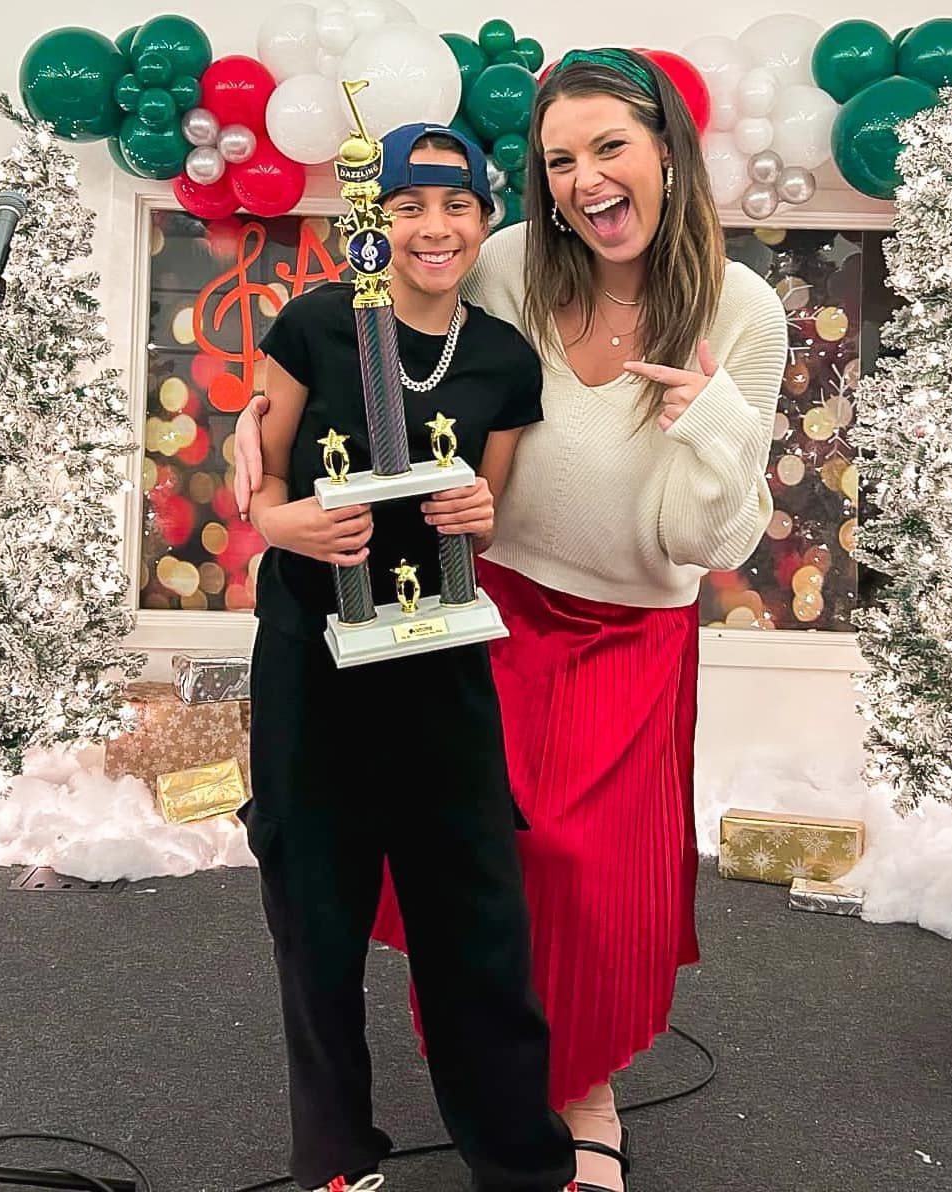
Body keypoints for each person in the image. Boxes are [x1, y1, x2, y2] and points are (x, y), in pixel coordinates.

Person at [236, 51, 786, 1192]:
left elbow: (709, 541)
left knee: (585, 869)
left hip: (632, 624)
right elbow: (386, 338)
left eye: (608, 148)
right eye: (559, 160)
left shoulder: (742, 310)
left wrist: (718, 429)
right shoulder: (506, 265)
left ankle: (583, 1087)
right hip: (487, 602)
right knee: (484, 864)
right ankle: (484, 1082)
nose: (586, 179)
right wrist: (264, 428)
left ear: (666, 153)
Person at [235, 122, 576, 1192]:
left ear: (485, 219)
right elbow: (256, 481)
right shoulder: (313, 326)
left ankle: (519, 1160)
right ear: (370, 219)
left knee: (476, 915)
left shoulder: (504, 359)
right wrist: (282, 526)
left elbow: (489, 519)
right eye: (406, 204)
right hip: (313, 662)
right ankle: (336, 1156)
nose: (432, 227)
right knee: (317, 916)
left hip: (438, 669)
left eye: (455, 205)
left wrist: (476, 506)